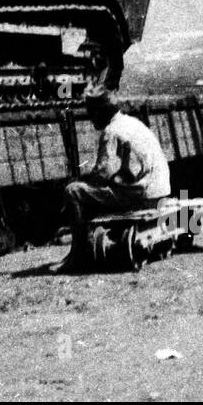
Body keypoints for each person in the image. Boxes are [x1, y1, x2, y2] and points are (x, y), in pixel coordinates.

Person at [56, 89, 171, 271]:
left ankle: (79, 254)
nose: (90, 118)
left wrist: (82, 180)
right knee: (91, 190)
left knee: (73, 191)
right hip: (159, 190)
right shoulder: (134, 123)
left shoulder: (111, 131)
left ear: (100, 112)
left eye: (91, 113)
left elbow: (103, 174)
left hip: (140, 195)